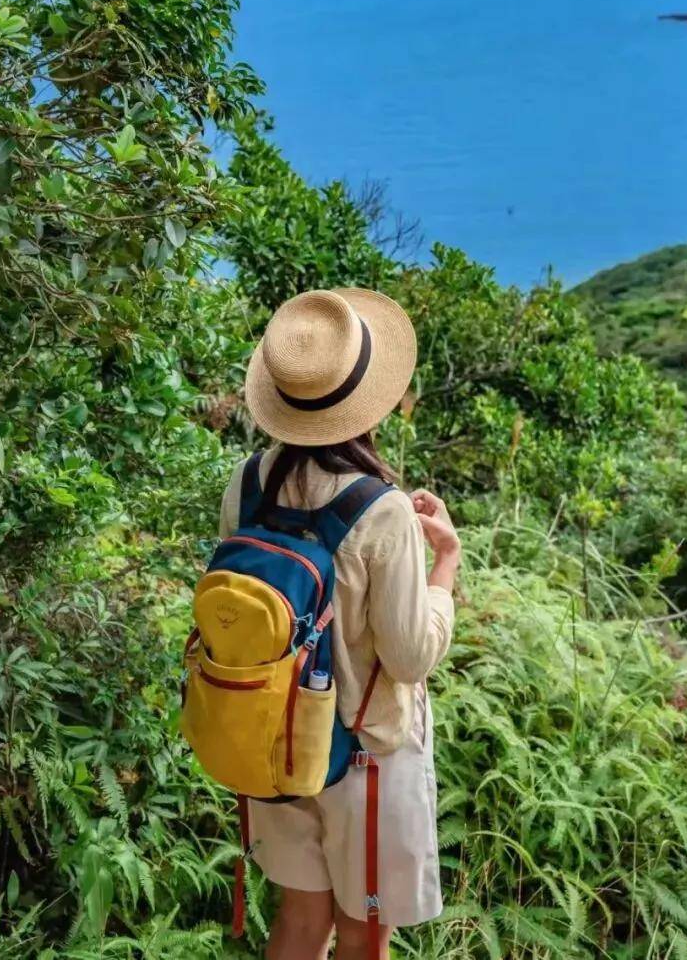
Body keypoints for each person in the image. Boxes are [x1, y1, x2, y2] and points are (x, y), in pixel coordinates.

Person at [220, 287, 461, 960]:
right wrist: (446, 564)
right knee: (363, 935)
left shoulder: (246, 484)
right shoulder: (381, 510)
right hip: (364, 756)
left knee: (301, 920)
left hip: (274, 740)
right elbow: (409, 657)